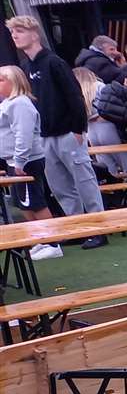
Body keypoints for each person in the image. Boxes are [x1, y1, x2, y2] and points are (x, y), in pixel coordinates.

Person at [8, 15, 104, 233]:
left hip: (68, 133)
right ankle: (77, 228)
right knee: (61, 187)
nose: (15, 36)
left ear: (34, 34)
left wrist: (79, 129)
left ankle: (99, 228)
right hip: (45, 137)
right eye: (13, 32)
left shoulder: (54, 62)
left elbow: (74, 96)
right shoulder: (26, 66)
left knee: (84, 182)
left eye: (20, 31)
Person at [0, 65, 62, 260]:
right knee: (24, 203)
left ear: (14, 82)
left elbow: (23, 134)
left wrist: (19, 161)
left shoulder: (20, 103)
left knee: (35, 201)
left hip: (26, 161)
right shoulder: (9, 103)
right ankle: (41, 240)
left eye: (1, 80)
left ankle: (53, 243)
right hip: (15, 160)